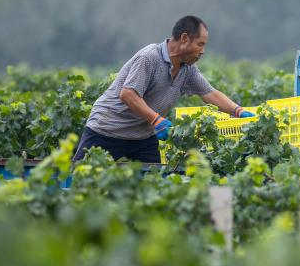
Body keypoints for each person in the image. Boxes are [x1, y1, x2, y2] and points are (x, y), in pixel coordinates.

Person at [73, 15, 253, 163]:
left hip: (142, 138)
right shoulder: (149, 57)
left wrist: (238, 111)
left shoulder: (187, 69)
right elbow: (128, 94)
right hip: (106, 130)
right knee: (79, 180)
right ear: (184, 38)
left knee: (156, 186)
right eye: (200, 44)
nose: (202, 51)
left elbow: (209, 93)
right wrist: (157, 120)